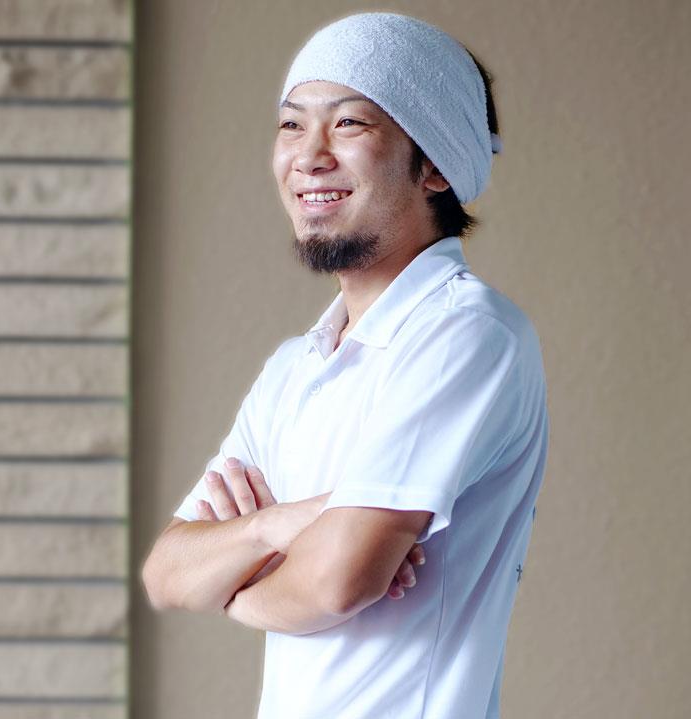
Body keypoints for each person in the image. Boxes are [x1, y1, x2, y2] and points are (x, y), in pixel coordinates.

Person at [141, 12, 548, 718]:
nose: (308, 156)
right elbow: (167, 572)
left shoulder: (465, 335)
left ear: (436, 165)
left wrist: (236, 591)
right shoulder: (294, 367)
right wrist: (273, 527)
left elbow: (336, 583)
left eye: (350, 123)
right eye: (291, 124)